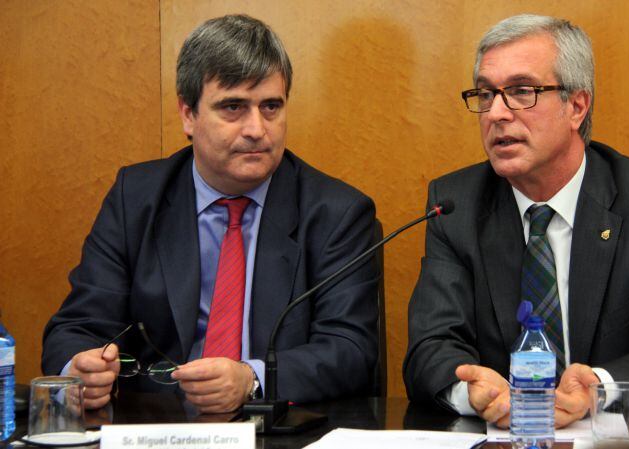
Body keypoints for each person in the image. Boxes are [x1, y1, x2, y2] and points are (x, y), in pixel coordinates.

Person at [42, 14, 379, 414]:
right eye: (233, 107)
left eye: (271, 106)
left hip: (278, 430)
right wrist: (79, 370)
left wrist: (250, 377)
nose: (257, 128)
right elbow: (76, 327)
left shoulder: (336, 212)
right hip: (156, 427)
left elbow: (350, 350)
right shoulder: (137, 198)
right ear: (188, 115)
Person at [402, 14, 629, 429]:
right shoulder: (454, 206)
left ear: (577, 107)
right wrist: (473, 392)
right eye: (485, 93)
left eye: (520, 91)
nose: (495, 113)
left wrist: (597, 388)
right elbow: (430, 346)